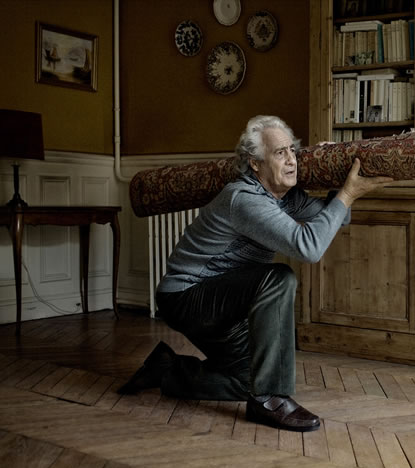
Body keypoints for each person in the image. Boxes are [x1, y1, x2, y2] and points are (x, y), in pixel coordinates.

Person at [118, 115, 392, 432]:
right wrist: (347, 194)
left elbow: (337, 218)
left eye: (292, 151)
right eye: (279, 153)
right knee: (278, 278)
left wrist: (338, 175)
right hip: (187, 297)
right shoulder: (244, 198)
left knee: (247, 379)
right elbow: (309, 247)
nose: (291, 160)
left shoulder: (286, 196)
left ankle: (167, 370)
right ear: (256, 164)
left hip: (225, 298)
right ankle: (270, 399)